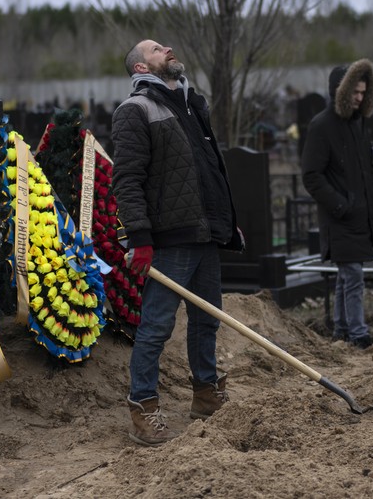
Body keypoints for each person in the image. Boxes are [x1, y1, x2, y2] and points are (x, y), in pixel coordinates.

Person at [111, 39, 244, 446]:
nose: (167, 48)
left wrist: (226, 221)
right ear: (140, 68)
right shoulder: (135, 111)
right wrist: (141, 237)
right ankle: (143, 406)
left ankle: (205, 393)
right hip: (170, 238)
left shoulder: (190, 103)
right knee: (156, 326)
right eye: (155, 48)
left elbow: (209, 171)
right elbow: (127, 180)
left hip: (205, 234)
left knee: (207, 320)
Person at [301, 59, 373, 349]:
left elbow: (364, 169)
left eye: (364, 92)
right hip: (341, 216)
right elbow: (311, 175)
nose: (360, 98)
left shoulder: (359, 123)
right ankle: (358, 334)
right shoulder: (322, 125)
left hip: (360, 214)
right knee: (353, 275)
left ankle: (342, 330)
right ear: (341, 91)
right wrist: (340, 205)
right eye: (355, 92)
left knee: (348, 277)